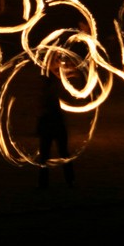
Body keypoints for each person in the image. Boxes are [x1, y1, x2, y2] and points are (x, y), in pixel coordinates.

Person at [37, 58, 75, 189]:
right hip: (53, 123)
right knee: (51, 155)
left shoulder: (50, 85)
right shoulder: (50, 84)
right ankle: (67, 180)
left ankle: (47, 183)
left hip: (53, 123)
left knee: (53, 154)